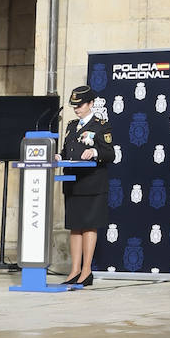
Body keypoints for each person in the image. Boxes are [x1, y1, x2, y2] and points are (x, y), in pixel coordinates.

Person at [59, 83, 115, 287]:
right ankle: (74, 270)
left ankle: (86, 270)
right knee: (74, 227)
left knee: (89, 226)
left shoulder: (101, 125)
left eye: (81, 105)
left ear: (91, 103)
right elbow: (67, 152)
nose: (77, 109)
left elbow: (111, 153)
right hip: (73, 182)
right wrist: (58, 155)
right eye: (74, 106)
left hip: (92, 182)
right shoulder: (72, 126)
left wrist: (95, 152)